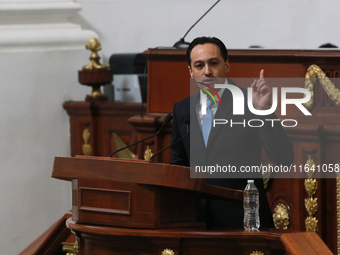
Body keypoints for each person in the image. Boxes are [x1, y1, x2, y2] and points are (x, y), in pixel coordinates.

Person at [170, 36, 294, 229]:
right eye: (199, 65)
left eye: (213, 63)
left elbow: (284, 157)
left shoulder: (250, 102)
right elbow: (178, 166)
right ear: (191, 72)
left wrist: (263, 112)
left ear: (226, 65)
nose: (207, 72)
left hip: (242, 220)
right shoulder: (182, 109)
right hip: (196, 222)